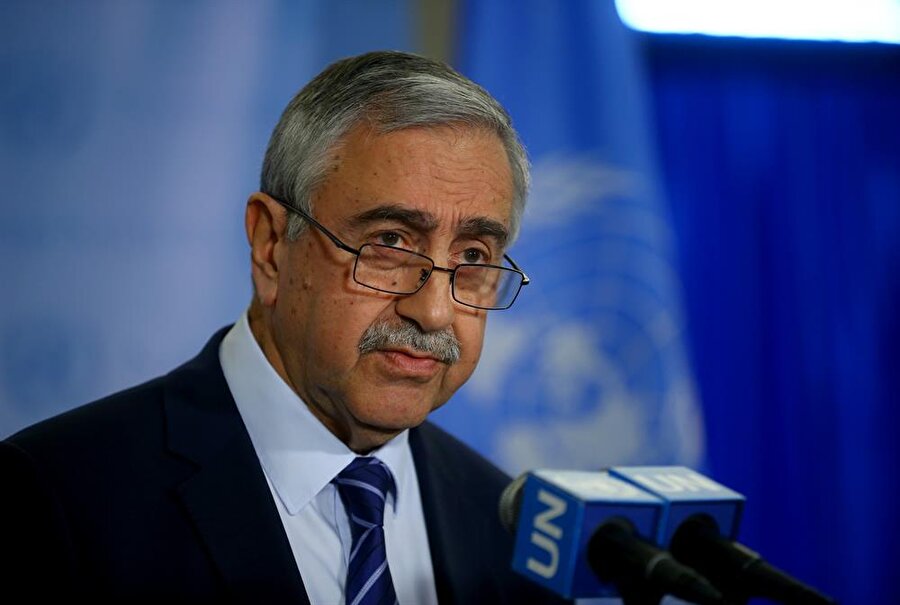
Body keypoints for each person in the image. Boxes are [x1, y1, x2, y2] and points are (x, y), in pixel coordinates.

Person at [0, 51, 566, 604]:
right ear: (271, 245)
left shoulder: (511, 533)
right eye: (390, 242)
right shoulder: (57, 497)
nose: (434, 311)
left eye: (473, 255)